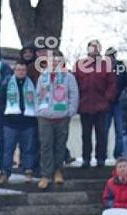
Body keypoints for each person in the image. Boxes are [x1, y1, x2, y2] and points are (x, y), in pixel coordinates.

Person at [36, 50, 79, 190]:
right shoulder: (42, 77)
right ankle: (45, 174)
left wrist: (70, 111)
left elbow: (74, 94)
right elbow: (37, 95)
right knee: (45, 145)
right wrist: (39, 111)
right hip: (45, 117)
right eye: (51, 60)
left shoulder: (68, 77)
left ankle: (58, 171)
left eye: (56, 60)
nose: (54, 63)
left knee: (60, 145)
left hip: (62, 116)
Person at [74, 41, 117, 168]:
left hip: (101, 107)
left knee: (102, 134)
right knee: (85, 134)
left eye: (96, 47)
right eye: (91, 46)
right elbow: (74, 84)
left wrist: (107, 99)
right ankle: (86, 158)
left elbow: (112, 85)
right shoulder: (79, 65)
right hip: (84, 106)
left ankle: (101, 159)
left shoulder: (106, 65)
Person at [0, 60, 39, 183]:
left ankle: (28, 171)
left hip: (28, 122)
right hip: (10, 122)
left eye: (23, 70)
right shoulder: (7, 83)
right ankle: (5, 172)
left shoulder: (32, 84)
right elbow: (0, 101)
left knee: (27, 149)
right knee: (8, 149)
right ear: (14, 71)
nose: (21, 72)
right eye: (18, 70)